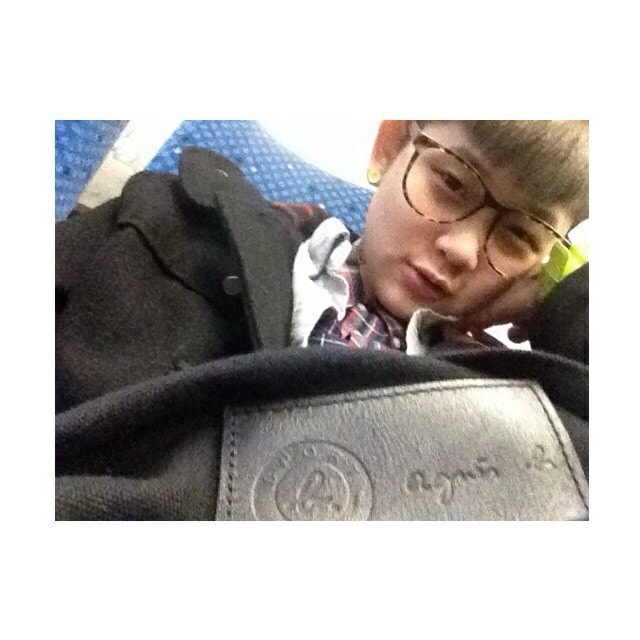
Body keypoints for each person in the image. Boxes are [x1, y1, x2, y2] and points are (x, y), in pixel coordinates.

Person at [55, 120, 589, 520]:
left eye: (519, 236)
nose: (463, 249)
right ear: (389, 145)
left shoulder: (514, 403)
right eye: (451, 182)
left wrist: (568, 308)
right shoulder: (179, 221)